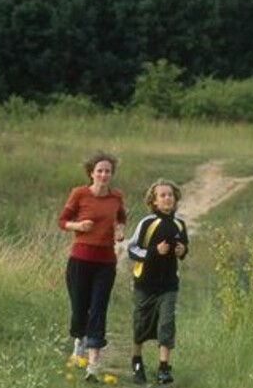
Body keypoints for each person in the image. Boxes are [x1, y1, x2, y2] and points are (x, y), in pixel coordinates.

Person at [58, 151, 126, 383]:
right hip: (80, 260)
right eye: (100, 171)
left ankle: (93, 365)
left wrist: (120, 230)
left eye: (108, 171)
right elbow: (62, 221)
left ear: (111, 173)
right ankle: (79, 341)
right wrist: (79, 225)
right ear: (91, 173)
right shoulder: (79, 193)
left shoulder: (116, 197)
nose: (104, 174)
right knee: (80, 308)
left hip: (105, 263)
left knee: (98, 309)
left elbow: (121, 218)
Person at [127, 179, 190, 385]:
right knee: (141, 326)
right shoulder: (147, 223)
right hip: (145, 283)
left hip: (169, 284)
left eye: (170, 194)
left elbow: (183, 247)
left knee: (166, 324)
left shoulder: (179, 223)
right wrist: (155, 251)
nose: (167, 198)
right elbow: (132, 249)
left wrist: (182, 251)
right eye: (162, 195)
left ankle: (164, 368)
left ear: (175, 198)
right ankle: (137, 362)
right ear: (154, 201)